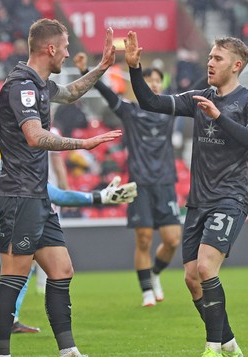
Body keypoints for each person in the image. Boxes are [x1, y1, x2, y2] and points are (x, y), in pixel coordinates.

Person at [124, 31, 248, 357]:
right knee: (191, 278)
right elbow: (151, 102)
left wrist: (219, 115)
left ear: (237, 65)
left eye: (217, 58)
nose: (210, 63)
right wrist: (134, 69)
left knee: (205, 268)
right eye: (209, 57)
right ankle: (230, 344)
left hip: (229, 198)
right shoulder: (199, 97)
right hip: (198, 202)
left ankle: (213, 348)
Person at [0, 18, 121, 357]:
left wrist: (103, 66)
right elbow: (34, 136)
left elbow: (71, 92)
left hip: (36, 196)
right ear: (50, 48)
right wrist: (83, 143)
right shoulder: (21, 86)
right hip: (19, 195)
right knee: (13, 277)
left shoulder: (41, 83)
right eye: (64, 46)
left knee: (62, 270)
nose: (66, 51)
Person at [0, 161, 137, 336]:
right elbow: (59, 196)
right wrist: (100, 196)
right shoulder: (18, 170)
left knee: (26, 260)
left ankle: (12, 319)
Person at [74, 52, 182, 307]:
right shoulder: (131, 111)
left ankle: (154, 274)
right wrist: (84, 71)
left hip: (166, 181)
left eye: (157, 80)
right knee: (143, 238)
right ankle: (146, 290)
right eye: (149, 81)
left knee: (172, 240)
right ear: (139, 86)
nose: (154, 84)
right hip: (140, 183)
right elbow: (108, 95)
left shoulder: (169, 109)